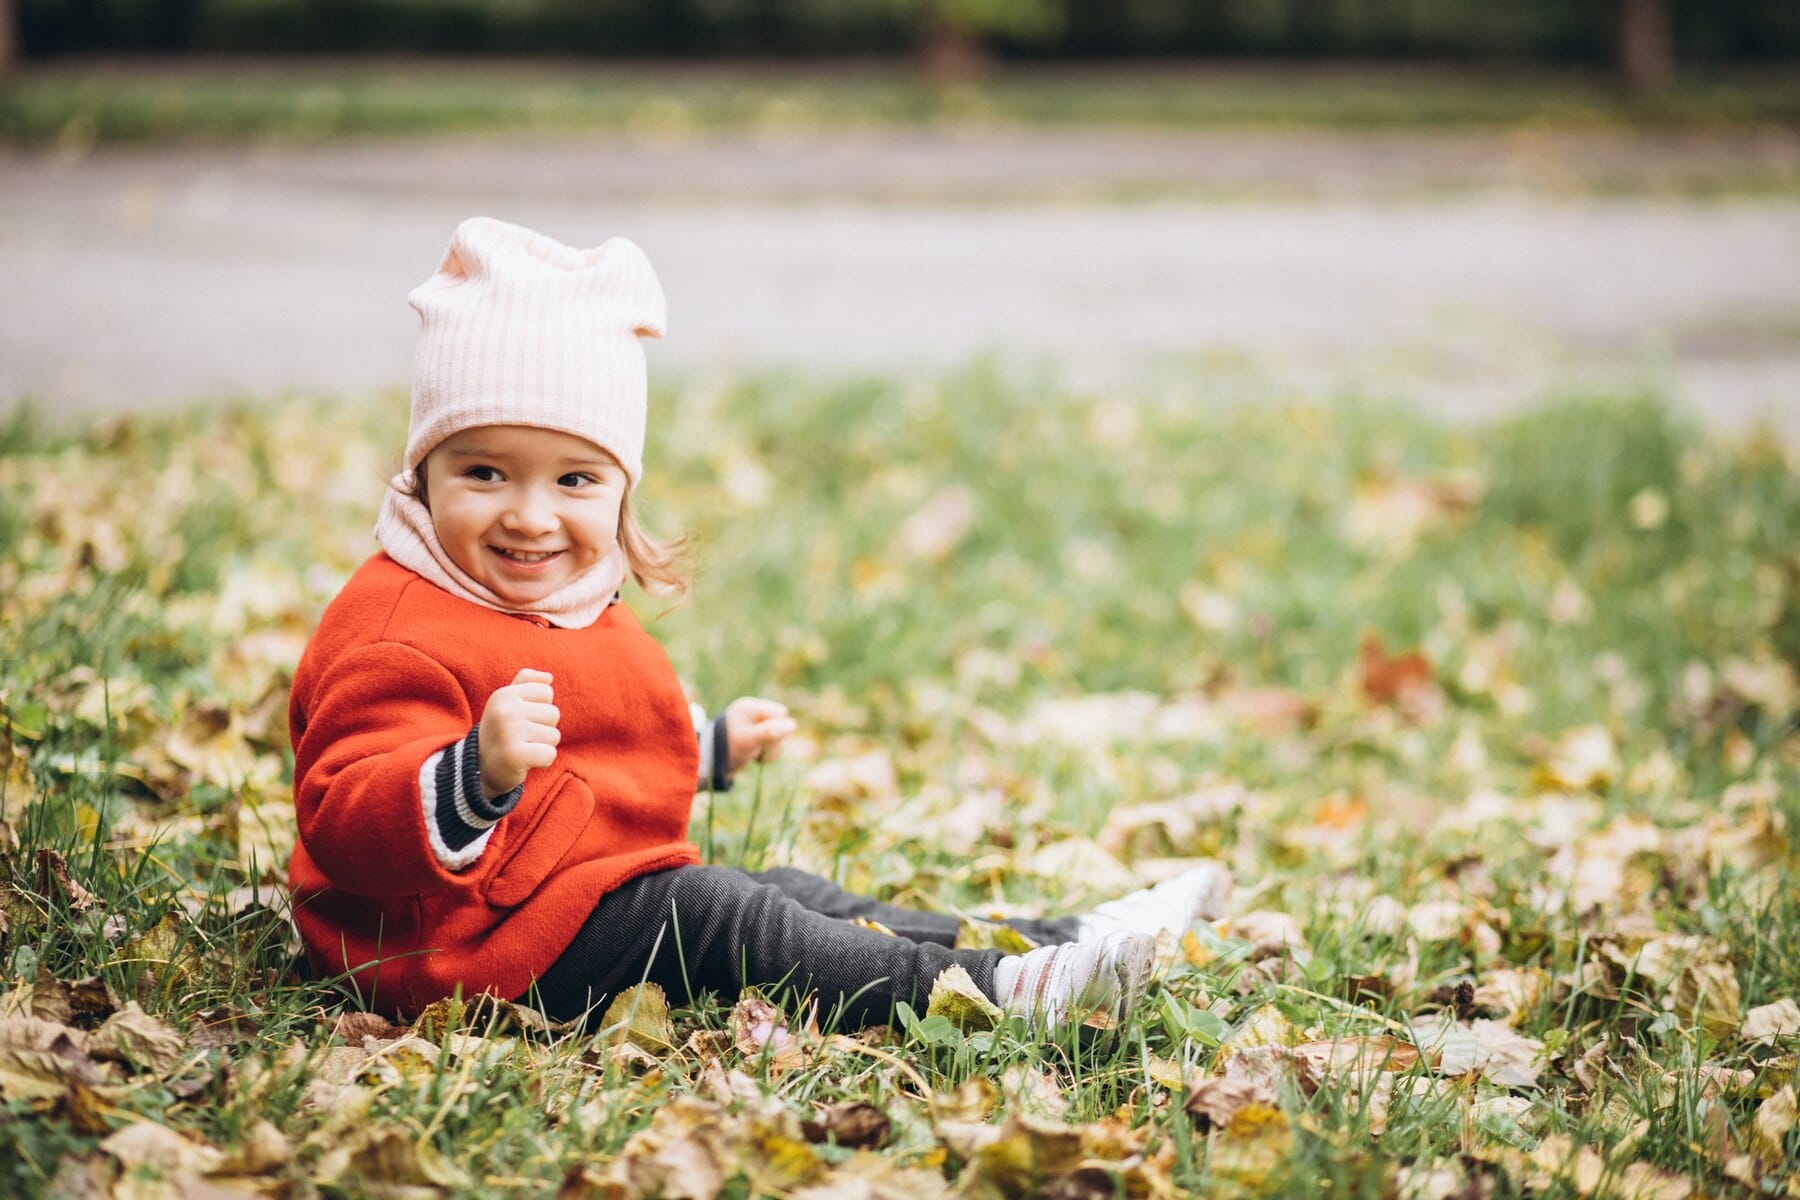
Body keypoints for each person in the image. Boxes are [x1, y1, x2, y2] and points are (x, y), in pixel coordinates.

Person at [287, 217, 1230, 1034]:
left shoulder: (545, 594)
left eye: (574, 479)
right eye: (484, 472)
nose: (531, 514)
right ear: (421, 474)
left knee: (786, 892)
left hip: (561, 892)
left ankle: (1057, 938)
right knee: (716, 913)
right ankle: (1000, 992)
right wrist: (472, 773)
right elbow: (342, 821)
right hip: (458, 948)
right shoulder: (396, 627)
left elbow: (588, 735)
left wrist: (702, 747)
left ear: (619, 490)